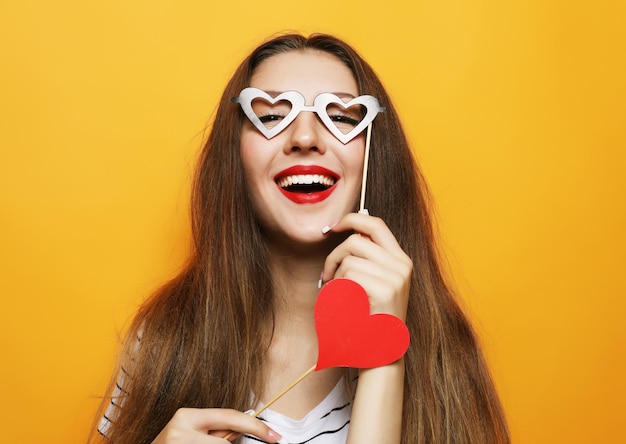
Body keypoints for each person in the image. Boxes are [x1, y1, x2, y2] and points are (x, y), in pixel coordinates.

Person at [90, 33, 510, 444]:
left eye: (342, 117)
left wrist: (384, 344)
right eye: (271, 116)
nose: (305, 138)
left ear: (374, 155)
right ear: (233, 153)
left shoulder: (446, 351)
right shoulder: (166, 338)